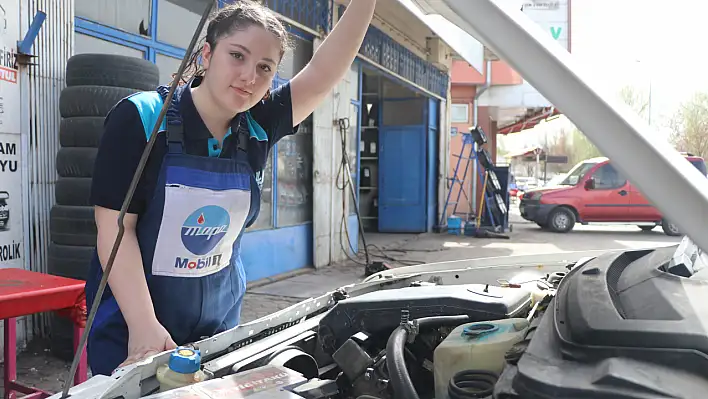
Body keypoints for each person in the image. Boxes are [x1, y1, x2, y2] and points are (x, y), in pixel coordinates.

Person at [85, 0, 376, 376]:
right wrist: (143, 326)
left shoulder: (259, 124)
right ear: (206, 54)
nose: (249, 77)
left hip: (218, 335)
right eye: (237, 55)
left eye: (264, 68)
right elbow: (114, 229)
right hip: (133, 332)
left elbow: (324, 70)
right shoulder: (140, 118)